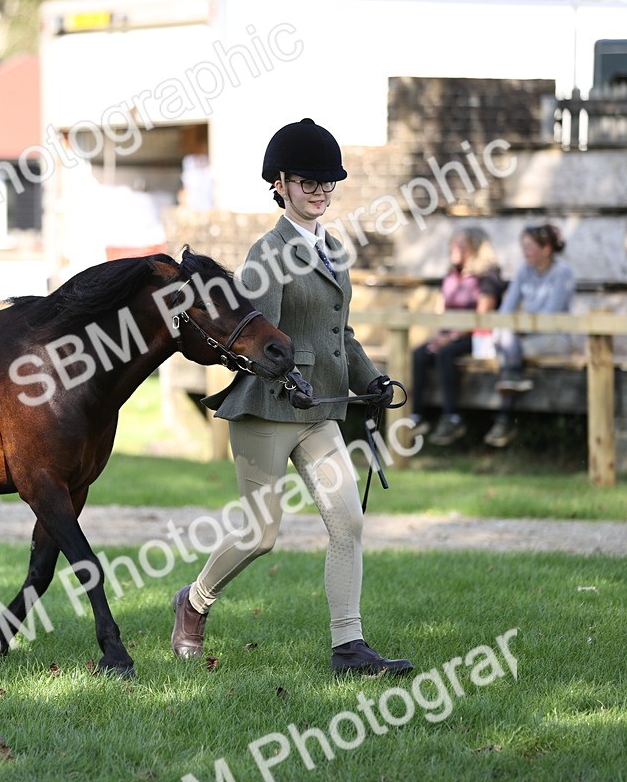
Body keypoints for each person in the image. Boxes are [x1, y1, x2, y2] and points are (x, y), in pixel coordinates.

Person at [170, 118, 412, 677]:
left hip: (320, 411)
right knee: (260, 535)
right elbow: (262, 342)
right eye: (308, 182)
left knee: (347, 522)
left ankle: (349, 647)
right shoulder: (267, 252)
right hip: (267, 410)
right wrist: (291, 382)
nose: (320, 192)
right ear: (279, 184)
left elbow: (340, 335)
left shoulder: (335, 250)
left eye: (327, 183)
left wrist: (369, 380)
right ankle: (194, 601)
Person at [409, 227, 504, 446]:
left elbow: (482, 316)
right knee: (419, 354)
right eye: (453, 243)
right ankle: (416, 417)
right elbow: (440, 311)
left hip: (478, 336)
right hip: (449, 334)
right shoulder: (451, 275)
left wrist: (450, 338)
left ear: (476, 248)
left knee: (445, 354)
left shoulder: (487, 277)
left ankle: (452, 418)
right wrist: (437, 336)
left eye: (461, 245)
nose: (454, 249)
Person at [484, 223, 575, 448]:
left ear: (546, 249)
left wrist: (517, 329)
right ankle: (510, 400)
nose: (525, 251)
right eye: (522, 246)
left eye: (529, 246)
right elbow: (507, 309)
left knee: (508, 349)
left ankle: (505, 418)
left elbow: (550, 316)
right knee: (506, 342)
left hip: (554, 338)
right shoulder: (523, 271)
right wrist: (507, 328)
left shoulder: (563, 273)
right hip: (523, 338)